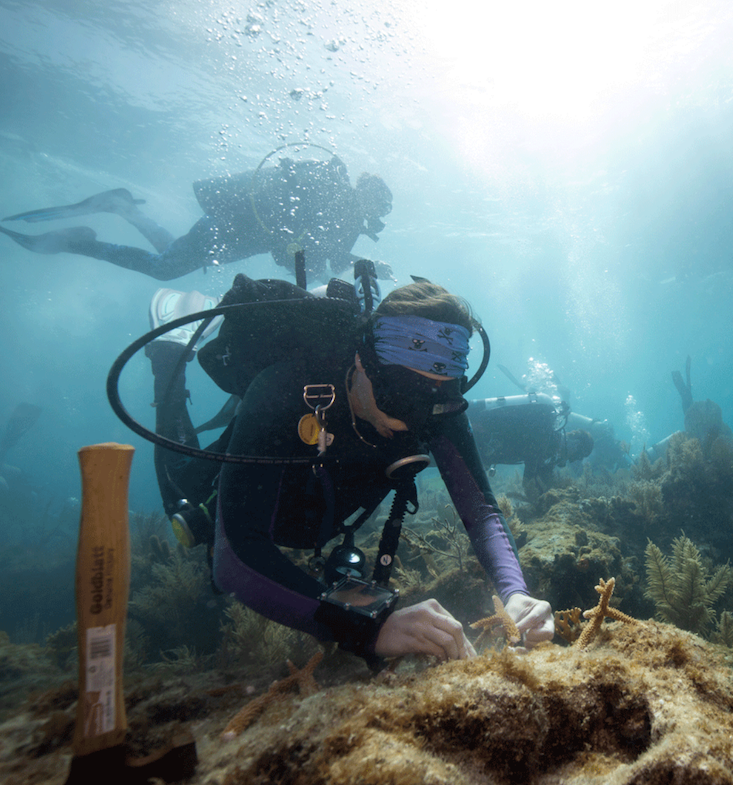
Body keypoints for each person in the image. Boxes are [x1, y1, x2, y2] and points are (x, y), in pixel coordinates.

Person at [142, 278, 553, 666]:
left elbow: (481, 513)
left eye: (437, 400)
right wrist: (370, 626)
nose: (412, 422)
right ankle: (166, 363)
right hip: (256, 497)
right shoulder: (286, 386)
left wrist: (515, 594)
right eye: (399, 397)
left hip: (324, 517)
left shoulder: (435, 407)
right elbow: (235, 559)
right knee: (183, 482)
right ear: (361, 362)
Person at [1, 154, 393, 284]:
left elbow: (312, 254)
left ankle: (125, 209)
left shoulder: (332, 212)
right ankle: (77, 242)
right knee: (164, 269)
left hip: (229, 234)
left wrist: (361, 266)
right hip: (229, 229)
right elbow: (285, 245)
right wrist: (298, 253)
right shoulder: (324, 199)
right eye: (376, 210)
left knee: (171, 254)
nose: (372, 220)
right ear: (366, 199)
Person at [467, 393, 595, 496]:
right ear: (576, 444)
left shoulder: (548, 447)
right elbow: (530, 470)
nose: (571, 460)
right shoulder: (544, 433)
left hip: (480, 444)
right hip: (476, 428)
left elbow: (543, 471)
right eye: (577, 455)